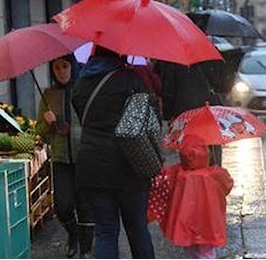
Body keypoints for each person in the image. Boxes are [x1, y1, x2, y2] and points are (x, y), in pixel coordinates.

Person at [71, 46, 155, 259]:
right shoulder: (131, 81)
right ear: (120, 53)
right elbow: (149, 120)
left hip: (92, 166)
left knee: (105, 231)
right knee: (137, 229)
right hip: (130, 165)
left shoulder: (81, 84)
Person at [36, 54, 94, 258]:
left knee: (85, 205)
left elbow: (93, 122)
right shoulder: (48, 95)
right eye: (57, 68)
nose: (61, 71)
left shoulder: (83, 91)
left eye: (65, 66)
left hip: (84, 157)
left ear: (73, 67)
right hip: (61, 159)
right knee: (63, 206)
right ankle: (73, 234)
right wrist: (47, 122)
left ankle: (86, 248)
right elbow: (41, 132)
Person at [157, 135, 234, 258]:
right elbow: (227, 185)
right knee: (207, 251)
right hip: (208, 221)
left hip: (185, 221)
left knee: (190, 249)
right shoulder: (214, 173)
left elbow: (164, 183)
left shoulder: (178, 173)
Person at [156, 60, 224, 165]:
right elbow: (219, 82)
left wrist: (168, 115)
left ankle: (194, 177)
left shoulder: (173, 61)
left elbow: (168, 91)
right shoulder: (207, 56)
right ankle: (214, 173)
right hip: (206, 108)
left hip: (184, 111)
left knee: (189, 149)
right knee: (211, 143)